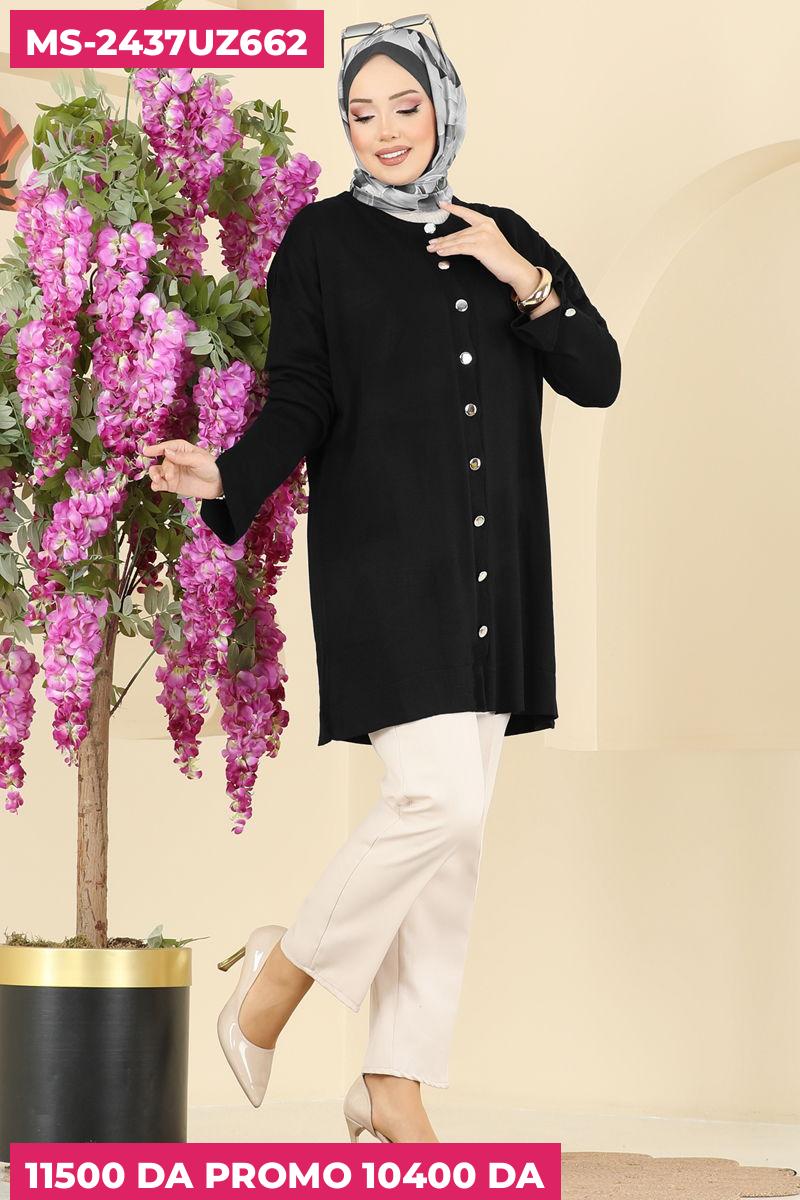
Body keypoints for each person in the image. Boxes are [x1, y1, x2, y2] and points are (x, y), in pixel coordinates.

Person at [142, 17, 621, 1144]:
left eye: (406, 105)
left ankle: (393, 1083)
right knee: (436, 803)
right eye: (363, 112)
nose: (387, 129)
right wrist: (228, 473)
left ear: (443, 106)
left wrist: (522, 277)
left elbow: (596, 375)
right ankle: (279, 977)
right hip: (384, 567)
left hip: (494, 572)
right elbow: (303, 396)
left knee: (454, 838)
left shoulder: (503, 235)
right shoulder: (318, 240)